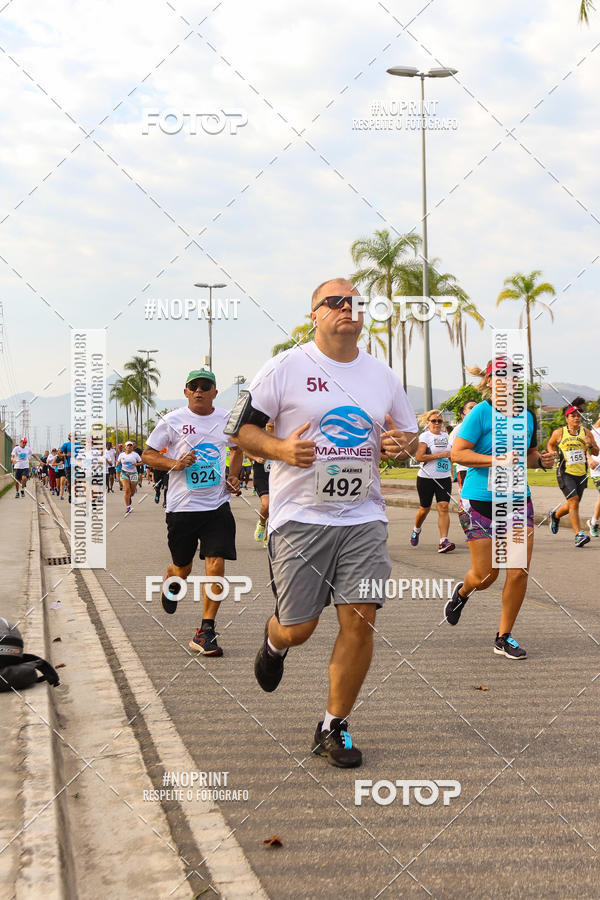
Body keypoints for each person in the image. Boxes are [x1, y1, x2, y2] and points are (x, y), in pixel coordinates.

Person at [228, 277, 417, 768]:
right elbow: (241, 429)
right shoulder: (286, 366)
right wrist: (281, 449)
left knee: (361, 618)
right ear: (313, 314)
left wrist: (401, 445)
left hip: (364, 515)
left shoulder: (382, 375)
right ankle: (274, 642)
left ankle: (333, 725)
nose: (346, 308)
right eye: (334, 302)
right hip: (299, 517)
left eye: (354, 302)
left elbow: (408, 433)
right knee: (300, 627)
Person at [446, 357, 555, 659]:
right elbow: (458, 453)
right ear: (490, 381)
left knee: (518, 573)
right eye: (502, 376)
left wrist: (541, 461)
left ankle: (503, 636)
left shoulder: (528, 415)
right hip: (479, 501)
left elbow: (530, 456)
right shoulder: (481, 413)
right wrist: (496, 460)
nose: (510, 380)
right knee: (485, 576)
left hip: (518, 499)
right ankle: (463, 592)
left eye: (515, 375)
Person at [142, 368, 243, 656]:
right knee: (183, 567)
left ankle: (206, 631)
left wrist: (233, 476)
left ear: (214, 391)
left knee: (216, 563)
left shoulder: (226, 419)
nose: (199, 390)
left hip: (216, 505)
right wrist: (175, 462)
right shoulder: (172, 421)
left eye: (205, 386)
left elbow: (237, 450)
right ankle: (171, 579)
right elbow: (148, 454)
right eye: (193, 386)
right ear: (186, 392)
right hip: (182, 509)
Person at [547, 399, 599, 548]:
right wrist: (552, 452)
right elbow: (550, 444)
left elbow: (596, 451)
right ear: (567, 418)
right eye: (573, 415)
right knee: (574, 501)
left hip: (581, 474)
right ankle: (578, 535)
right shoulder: (560, 433)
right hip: (565, 472)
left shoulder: (587, 433)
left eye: (578, 415)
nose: (577, 418)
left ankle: (555, 515)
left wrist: (590, 444)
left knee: (572, 503)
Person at [409, 410, 455, 553]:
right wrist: (440, 455)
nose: (436, 423)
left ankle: (443, 541)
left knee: (443, 506)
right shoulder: (425, 437)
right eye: (433, 421)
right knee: (425, 509)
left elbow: (450, 457)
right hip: (426, 478)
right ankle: (416, 529)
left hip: (444, 478)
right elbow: (420, 457)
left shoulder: (446, 437)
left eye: (439, 421)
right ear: (427, 423)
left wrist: (451, 474)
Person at [250, 423, 274, 546]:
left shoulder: (282, 436)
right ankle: (262, 523)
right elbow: (245, 449)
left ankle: (268, 537)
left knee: (275, 509)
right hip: (261, 476)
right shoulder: (259, 435)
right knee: (266, 504)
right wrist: (255, 457)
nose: (271, 423)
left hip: (276, 476)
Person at [448, 400, 478, 492]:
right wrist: (450, 473)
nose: (474, 410)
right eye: (471, 408)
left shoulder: (482, 426)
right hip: (465, 470)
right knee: (465, 499)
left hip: (481, 468)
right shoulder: (458, 430)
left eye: (476, 407)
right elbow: (452, 453)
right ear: (463, 413)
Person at [116, 441, 142, 514]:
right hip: (124, 473)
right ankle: (128, 507)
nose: (129, 447)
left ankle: (129, 496)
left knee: (132, 492)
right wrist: (117, 464)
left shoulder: (135, 455)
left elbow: (142, 462)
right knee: (126, 489)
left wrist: (136, 464)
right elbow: (118, 462)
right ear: (125, 447)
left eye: (131, 446)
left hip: (133, 473)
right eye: (128, 446)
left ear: (132, 447)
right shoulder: (121, 455)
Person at [586, 449, 600, 537]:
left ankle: (593, 522)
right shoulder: (589, 434)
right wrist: (588, 458)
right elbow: (583, 444)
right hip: (597, 470)